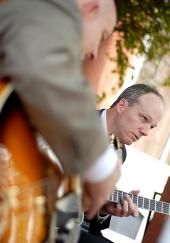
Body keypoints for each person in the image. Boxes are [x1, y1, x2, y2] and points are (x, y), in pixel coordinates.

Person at [0, 0, 121, 222]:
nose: (95, 53)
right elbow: (37, 63)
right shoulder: (55, 10)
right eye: (103, 36)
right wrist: (101, 164)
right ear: (90, 9)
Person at [79, 83, 166, 243]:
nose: (146, 132)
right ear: (121, 105)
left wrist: (104, 209)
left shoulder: (119, 153)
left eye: (151, 127)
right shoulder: (76, 122)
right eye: (144, 119)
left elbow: (86, 218)